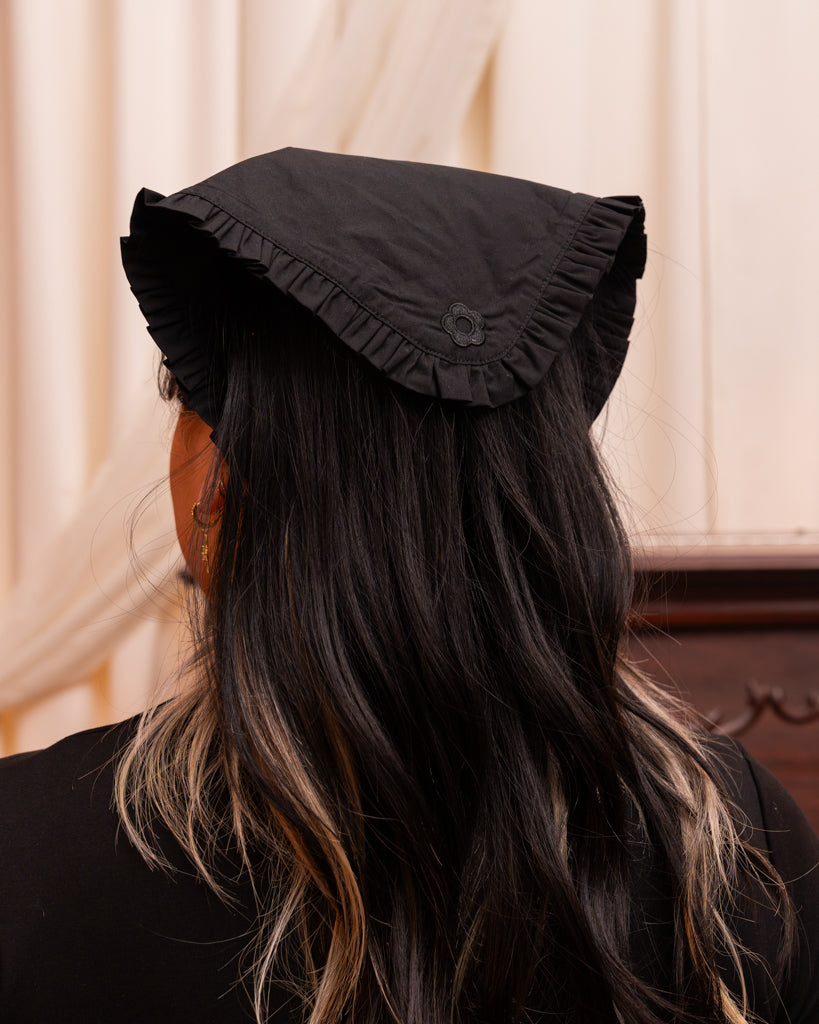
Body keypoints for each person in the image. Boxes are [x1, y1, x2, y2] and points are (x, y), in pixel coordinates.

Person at [0, 149, 816, 1024]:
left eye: (181, 400)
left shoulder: (29, 849)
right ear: (550, 481)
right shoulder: (734, 835)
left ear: (221, 468)